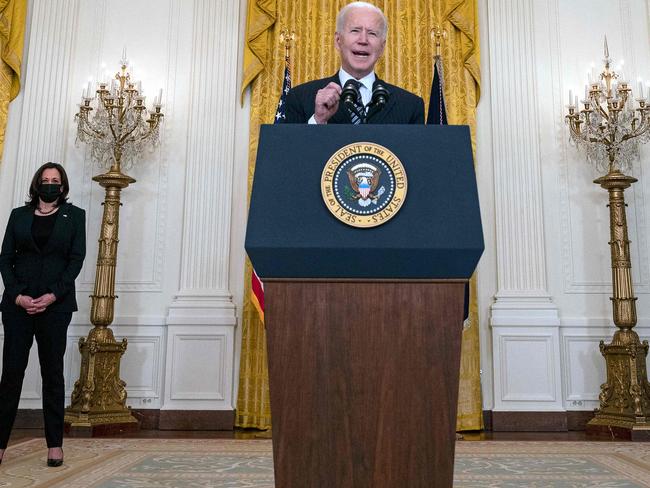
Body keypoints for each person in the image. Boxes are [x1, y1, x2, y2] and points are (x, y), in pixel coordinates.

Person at [0, 162, 86, 467]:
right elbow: (5, 259)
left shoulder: (75, 217)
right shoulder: (18, 216)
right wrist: (18, 296)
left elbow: (75, 261)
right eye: (45, 179)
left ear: (62, 187)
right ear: (37, 184)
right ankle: (0, 444)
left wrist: (51, 296)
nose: (50, 184)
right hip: (17, 307)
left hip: (56, 307)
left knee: (53, 375)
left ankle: (55, 445)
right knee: (11, 375)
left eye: (56, 180)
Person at [283, 1, 424, 125]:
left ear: (382, 47)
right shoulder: (300, 97)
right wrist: (319, 119)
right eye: (355, 30)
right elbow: (289, 152)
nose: (363, 40)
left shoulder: (410, 105)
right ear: (338, 41)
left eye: (372, 33)